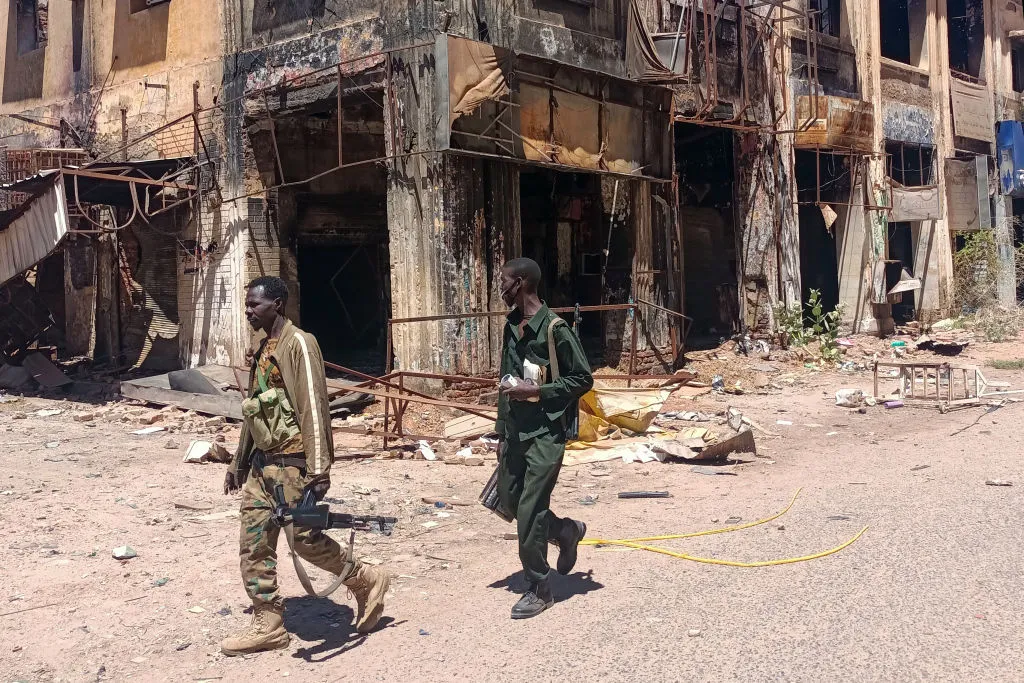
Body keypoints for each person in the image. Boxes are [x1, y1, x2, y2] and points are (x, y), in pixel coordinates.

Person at [220, 276, 389, 655]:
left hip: (293, 465)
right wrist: (238, 463)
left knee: (305, 540)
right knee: (253, 543)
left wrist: (319, 468)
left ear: (277, 305)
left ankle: (364, 578)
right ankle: (268, 624)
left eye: (254, 305)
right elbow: (255, 412)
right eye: (247, 305)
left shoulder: (299, 343)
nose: (248, 311)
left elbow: (314, 405)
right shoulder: (264, 349)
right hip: (263, 468)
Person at [496, 258, 594, 619]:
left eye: (504, 281)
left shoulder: (556, 329)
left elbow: (583, 378)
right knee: (509, 501)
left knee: (530, 510)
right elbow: (504, 381)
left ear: (521, 283)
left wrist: (538, 391)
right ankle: (566, 531)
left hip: (545, 434)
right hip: (515, 431)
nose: (500, 287)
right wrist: (501, 431)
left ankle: (539, 587)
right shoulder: (511, 326)